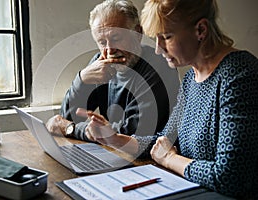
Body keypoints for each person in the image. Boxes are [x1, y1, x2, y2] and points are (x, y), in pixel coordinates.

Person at [83, 0, 258, 199]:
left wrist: (170, 159)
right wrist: (113, 138)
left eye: (166, 37)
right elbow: (163, 141)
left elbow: (230, 177)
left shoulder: (239, 75)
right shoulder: (192, 78)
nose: (158, 49)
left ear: (200, 30)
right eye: (156, 38)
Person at [46, 0, 173, 141]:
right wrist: (81, 80)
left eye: (116, 38)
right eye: (102, 42)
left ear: (137, 33)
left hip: (148, 159)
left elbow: (132, 133)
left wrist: (73, 129)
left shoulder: (158, 66)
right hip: (111, 152)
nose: (110, 49)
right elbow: (66, 118)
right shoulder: (100, 64)